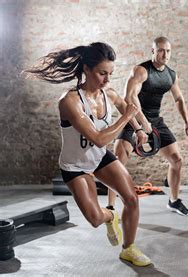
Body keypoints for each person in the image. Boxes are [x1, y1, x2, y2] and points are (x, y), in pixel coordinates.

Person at [23, 42, 152, 266]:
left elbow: (124, 106)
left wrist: (139, 129)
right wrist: (127, 119)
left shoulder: (108, 94)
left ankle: (129, 249)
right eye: (102, 73)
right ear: (86, 69)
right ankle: (111, 216)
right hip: (75, 166)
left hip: (99, 157)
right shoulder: (70, 101)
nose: (107, 79)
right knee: (94, 219)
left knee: (131, 198)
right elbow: (99, 138)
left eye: (110, 73)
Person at [109, 36, 188, 216]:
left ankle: (174, 200)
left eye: (168, 51)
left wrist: (187, 121)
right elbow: (129, 98)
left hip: (155, 120)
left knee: (177, 159)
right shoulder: (141, 71)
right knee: (118, 161)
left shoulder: (171, 75)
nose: (165, 54)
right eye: (161, 50)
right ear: (153, 51)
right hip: (132, 117)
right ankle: (111, 208)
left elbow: (179, 99)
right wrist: (142, 123)